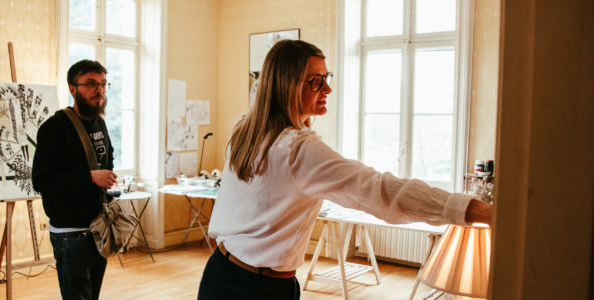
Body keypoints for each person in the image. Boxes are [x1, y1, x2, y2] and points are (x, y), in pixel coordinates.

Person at [197, 40, 492, 300]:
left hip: (223, 272)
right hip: (254, 289)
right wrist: (482, 212)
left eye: (326, 78)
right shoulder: (296, 150)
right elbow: (381, 190)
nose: (327, 88)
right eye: (315, 81)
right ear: (287, 85)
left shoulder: (246, 131)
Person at [32, 59, 117, 300]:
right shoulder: (55, 128)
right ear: (72, 88)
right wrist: (91, 178)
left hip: (99, 229)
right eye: (91, 84)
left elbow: (107, 159)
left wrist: (105, 177)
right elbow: (43, 181)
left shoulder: (100, 123)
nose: (99, 90)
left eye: (102, 84)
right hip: (70, 234)